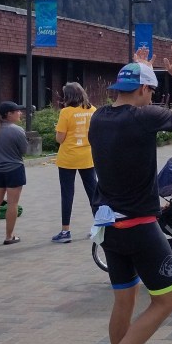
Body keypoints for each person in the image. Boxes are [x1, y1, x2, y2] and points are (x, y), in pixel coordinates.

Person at [78, 43, 172, 344]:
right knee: (167, 301)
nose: (152, 98)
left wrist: (139, 67)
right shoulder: (143, 117)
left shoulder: (99, 117)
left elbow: (131, 95)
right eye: (151, 90)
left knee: (124, 300)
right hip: (141, 227)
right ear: (145, 90)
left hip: (110, 227)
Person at [52, 82, 97, 243]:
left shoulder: (66, 112)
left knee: (67, 194)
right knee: (93, 193)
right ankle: (99, 227)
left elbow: (60, 138)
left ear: (68, 96)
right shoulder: (93, 110)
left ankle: (65, 231)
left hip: (68, 158)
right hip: (88, 157)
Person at [0, 101, 27, 246]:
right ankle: (9, 236)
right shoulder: (17, 130)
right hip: (14, 169)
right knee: (12, 203)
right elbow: (24, 150)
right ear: (9, 114)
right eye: (17, 111)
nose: (20, 113)